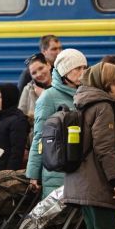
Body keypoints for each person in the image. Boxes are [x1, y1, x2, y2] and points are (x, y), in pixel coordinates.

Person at [62, 62, 115, 229]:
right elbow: (105, 148)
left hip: (82, 182)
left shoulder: (84, 102)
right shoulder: (103, 107)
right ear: (103, 83)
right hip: (97, 184)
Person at [26, 48, 87, 199]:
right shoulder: (48, 97)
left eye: (84, 68)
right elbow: (39, 137)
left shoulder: (86, 95)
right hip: (58, 174)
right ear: (65, 72)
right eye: (77, 68)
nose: (83, 72)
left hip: (84, 173)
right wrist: (33, 175)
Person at [0, 84, 29, 171]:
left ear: (8, 98)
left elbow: (16, 153)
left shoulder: (18, 120)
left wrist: (8, 174)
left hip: (5, 171)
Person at [18, 53, 53, 120]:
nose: (39, 74)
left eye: (41, 68)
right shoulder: (28, 89)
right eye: (34, 73)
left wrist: (44, 95)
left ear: (48, 65)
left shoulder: (63, 85)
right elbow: (20, 118)